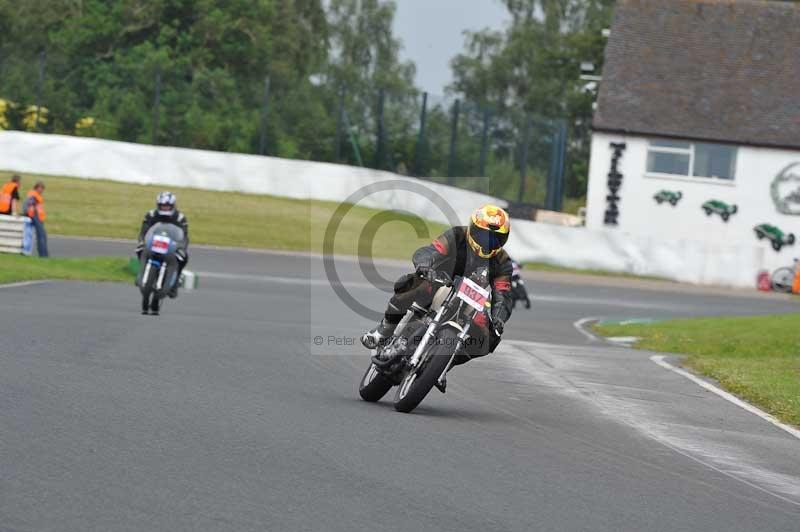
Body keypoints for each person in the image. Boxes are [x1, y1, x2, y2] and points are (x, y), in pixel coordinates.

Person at [361, 204, 514, 389]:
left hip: (470, 300)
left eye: (494, 240)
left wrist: (498, 318)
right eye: (483, 236)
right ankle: (384, 330)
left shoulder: (502, 262)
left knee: (490, 337)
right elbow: (430, 251)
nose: (487, 243)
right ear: (473, 229)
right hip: (440, 280)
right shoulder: (457, 235)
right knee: (412, 283)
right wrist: (425, 265)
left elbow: (503, 293)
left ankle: (443, 363)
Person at [136, 191, 189, 298]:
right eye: (162, 206)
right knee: (140, 250)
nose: (165, 208)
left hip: (171, 246)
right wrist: (142, 242)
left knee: (184, 258)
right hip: (153, 244)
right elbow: (143, 232)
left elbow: (184, 236)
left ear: (172, 206)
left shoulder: (180, 218)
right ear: (158, 205)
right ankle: (142, 274)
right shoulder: (151, 215)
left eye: (167, 206)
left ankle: (175, 281)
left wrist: (181, 248)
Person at [23, 181, 48, 257]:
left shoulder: (36, 195)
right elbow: (27, 205)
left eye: (42, 189)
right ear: (36, 187)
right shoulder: (33, 195)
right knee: (41, 236)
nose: (42, 190)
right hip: (35, 217)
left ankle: (43, 253)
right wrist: (31, 215)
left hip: (38, 217)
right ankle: (43, 254)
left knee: (42, 235)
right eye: (40, 188)